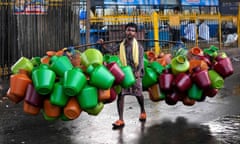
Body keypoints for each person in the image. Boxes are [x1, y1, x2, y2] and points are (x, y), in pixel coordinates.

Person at [97, 22, 146, 129]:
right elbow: (110, 50)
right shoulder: (121, 45)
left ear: (135, 33)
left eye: (133, 31)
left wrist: (138, 71)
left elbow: (141, 60)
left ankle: (142, 111)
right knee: (121, 95)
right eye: (128, 30)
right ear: (125, 31)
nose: (130, 32)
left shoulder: (139, 47)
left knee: (138, 94)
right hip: (124, 72)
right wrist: (102, 45)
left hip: (135, 73)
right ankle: (121, 119)